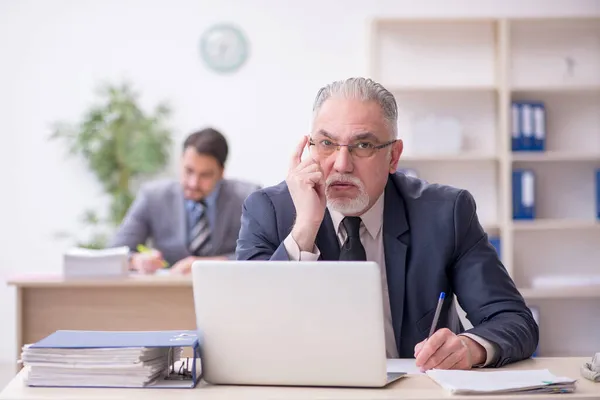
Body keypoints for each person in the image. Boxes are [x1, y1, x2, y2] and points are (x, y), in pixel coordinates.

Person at [236, 78, 538, 371]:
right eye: (327, 143)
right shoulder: (268, 210)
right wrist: (304, 229)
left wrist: (469, 347)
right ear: (309, 147)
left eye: (363, 145)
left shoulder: (446, 214)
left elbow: (514, 320)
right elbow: (245, 329)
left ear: (393, 156)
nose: (341, 164)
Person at [110, 127, 260, 274]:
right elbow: (116, 252)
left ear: (221, 172)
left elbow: (264, 256)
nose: (193, 183)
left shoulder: (249, 197)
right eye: (189, 171)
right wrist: (136, 260)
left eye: (205, 175)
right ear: (180, 162)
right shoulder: (153, 197)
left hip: (229, 292)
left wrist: (204, 265)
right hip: (168, 293)